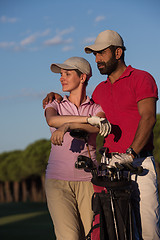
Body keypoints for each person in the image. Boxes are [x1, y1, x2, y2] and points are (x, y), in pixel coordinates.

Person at [43, 30, 160, 240]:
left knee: (149, 232)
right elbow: (92, 122)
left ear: (117, 53)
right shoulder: (99, 91)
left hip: (139, 163)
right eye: (94, 55)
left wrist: (131, 154)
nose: (97, 59)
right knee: (116, 233)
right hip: (109, 169)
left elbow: (149, 118)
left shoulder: (142, 78)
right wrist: (58, 98)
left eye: (101, 53)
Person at [44, 56, 111, 240]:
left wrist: (68, 126)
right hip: (57, 181)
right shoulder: (55, 104)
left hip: (89, 181)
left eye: (67, 73)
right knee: (69, 237)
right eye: (61, 74)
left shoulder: (96, 107)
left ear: (83, 77)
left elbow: (99, 126)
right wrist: (86, 119)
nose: (61, 78)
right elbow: (52, 120)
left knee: (91, 235)